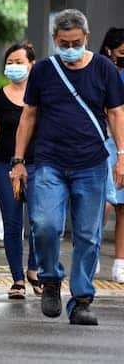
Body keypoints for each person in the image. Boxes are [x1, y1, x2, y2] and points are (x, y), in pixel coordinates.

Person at [12, 9, 124, 326]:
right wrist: (18, 161)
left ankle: (82, 300)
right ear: (54, 40)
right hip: (50, 163)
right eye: (63, 43)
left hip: (91, 164)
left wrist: (122, 154)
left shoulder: (103, 68)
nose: (70, 48)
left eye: (75, 42)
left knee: (88, 235)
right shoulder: (45, 70)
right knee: (44, 224)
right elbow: (29, 116)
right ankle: (50, 279)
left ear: (86, 38)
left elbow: (116, 114)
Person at [0, 42, 39, 299]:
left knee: (40, 221)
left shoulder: (41, 95)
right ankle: (17, 279)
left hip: (38, 166)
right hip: (5, 166)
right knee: (13, 223)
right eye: (10, 62)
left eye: (19, 62)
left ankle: (34, 269)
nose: (14, 67)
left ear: (32, 65)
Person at [99, 27, 124, 283]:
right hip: (104, 143)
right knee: (103, 203)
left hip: (123, 143)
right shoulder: (100, 71)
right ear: (109, 50)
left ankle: (120, 263)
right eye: (122, 53)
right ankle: (91, 254)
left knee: (123, 206)